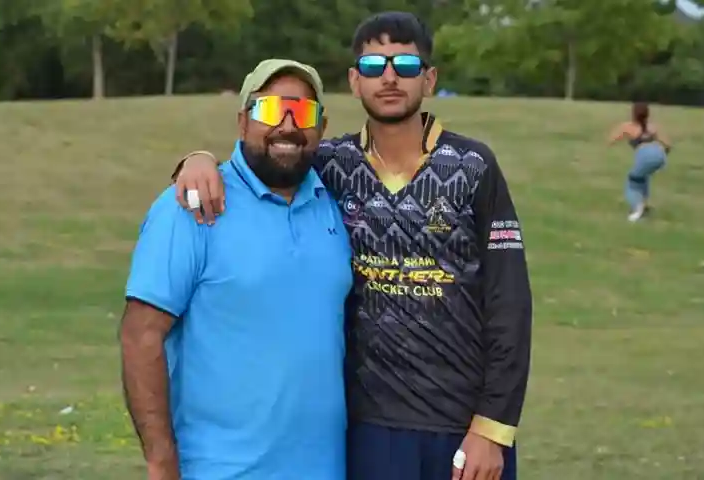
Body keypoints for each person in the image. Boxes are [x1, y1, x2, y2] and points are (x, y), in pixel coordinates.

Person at [170, 11, 532, 480]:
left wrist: (492, 428)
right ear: (353, 81)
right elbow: (262, 160)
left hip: (463, 428)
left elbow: (510, 305)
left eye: (404, 65)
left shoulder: (473, 165)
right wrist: (196, 161)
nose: (388, 78)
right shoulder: (329, 165)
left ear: (429, 79)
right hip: (369, 429)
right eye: (372, 66)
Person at [119, 59, 353, 480]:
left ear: (322, 126)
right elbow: (141, 335)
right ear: (243, 122)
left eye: (302, 112)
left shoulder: (338, 202)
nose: (286, 125)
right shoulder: (191, 207)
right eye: (268, 110)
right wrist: (160, 460)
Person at [607, 101, 671, 222]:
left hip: (644, 155)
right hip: (659, 154)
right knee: (642, 177)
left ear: (633, 114)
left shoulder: (628, 126)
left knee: (632, 181)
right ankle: (645, 205)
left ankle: (637, 210)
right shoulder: (652, 127)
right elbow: (668, 145)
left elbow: (612, 140)